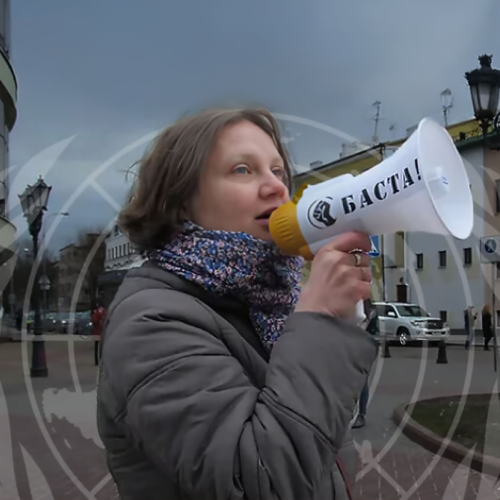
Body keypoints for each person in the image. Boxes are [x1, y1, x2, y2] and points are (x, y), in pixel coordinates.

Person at [96, 107, 377, 500]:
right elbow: (260, 482)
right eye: (243, 170)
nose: (277, 188)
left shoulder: (268, 303)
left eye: (278, 171)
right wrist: (321, 319)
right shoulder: (151, 323)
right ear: (180, 202)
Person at [352, 298, 378, 429]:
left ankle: (361, 414)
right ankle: (352, 412)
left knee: (362, 382)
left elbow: (371, 329)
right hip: (352, 346)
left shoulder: (369, 310)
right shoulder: (352, 304)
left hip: (363, 347)